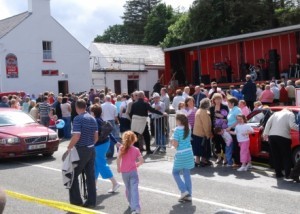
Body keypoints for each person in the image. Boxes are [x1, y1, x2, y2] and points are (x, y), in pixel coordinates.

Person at [66, 99, 98, 208]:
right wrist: (90, 144)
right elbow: (96, 137)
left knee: (72, 175)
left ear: (76, 107)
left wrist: (69, 147)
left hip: (81, 149)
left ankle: (76, 202)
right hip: (91, 149)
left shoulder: (77, 119)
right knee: (90, 176)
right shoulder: (92, 118)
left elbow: (76, 136)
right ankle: (91, 201)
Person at [90, 104, 121, 193]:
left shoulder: (94, 121)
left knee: (101, 164)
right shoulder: (101, 120)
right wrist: (116, 142)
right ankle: (93, 186)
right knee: (96, 164)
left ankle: (115, 183)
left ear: (93, 112)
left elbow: (94, 135)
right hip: (104, 143)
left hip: (98, 145)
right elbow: (109, 133)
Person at [263, 108, 299, 179]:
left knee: (276, 156)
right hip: (284, 136)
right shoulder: (290, 114)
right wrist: (298, 127)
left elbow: (268, 123)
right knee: (286, 156)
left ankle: (278, 173)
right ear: (289, 110)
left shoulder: (275, 114)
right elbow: (292, 125)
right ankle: (287, 174)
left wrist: (265, 133)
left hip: (272, 136)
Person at [117, 131, 144, 214]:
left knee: (128, 188)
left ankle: (130, 203)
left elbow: (118, 159)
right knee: (134, 189)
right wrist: (138, 164)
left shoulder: (121, 148)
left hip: (124, 172)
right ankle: (136, 208)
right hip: (133, 171)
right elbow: (141, 160)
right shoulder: (136, 149)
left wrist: (118, 167)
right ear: (134, 140)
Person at [171, 114, 194, 202]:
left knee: (175, 172)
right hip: (189, 152)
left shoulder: (177, 130)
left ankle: (183, 190)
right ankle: (189, 195)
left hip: (181, 153)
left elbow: (175, 144)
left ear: (179, 121)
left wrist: (172, 140)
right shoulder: (188, 127)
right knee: (186, 174)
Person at [210, 93, 229, 164]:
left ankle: (224, 158)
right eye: (216, 99)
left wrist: (221, 116)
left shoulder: (225, 107)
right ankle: (218, 157)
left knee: (224, 143)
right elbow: (210, 119)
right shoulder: (211, 108)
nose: (218, 100)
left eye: (219, 99)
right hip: (215, 128)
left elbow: (227, 117)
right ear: (214, 100)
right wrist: (211, 130)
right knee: (217, 143)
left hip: (223, 128)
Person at [193, 98, 212, 167]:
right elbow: (206, 125)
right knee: (204, 147)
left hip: (196, 132)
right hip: (202, 134)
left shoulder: (199, 110)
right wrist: (208, 134)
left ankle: (197, 161)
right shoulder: (204, 112)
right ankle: (203, 161)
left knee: (197, 148)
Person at [226, 97, 242, 167]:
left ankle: (237, 162)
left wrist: (230, 127)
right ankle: (233, 161)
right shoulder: (232, 109)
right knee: (231, 145)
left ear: (232, 103)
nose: (228, 104)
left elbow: (238, 120)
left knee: (235, 146)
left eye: (229, 103)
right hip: (230, 129)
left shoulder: (237, 110)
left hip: (234, 129)